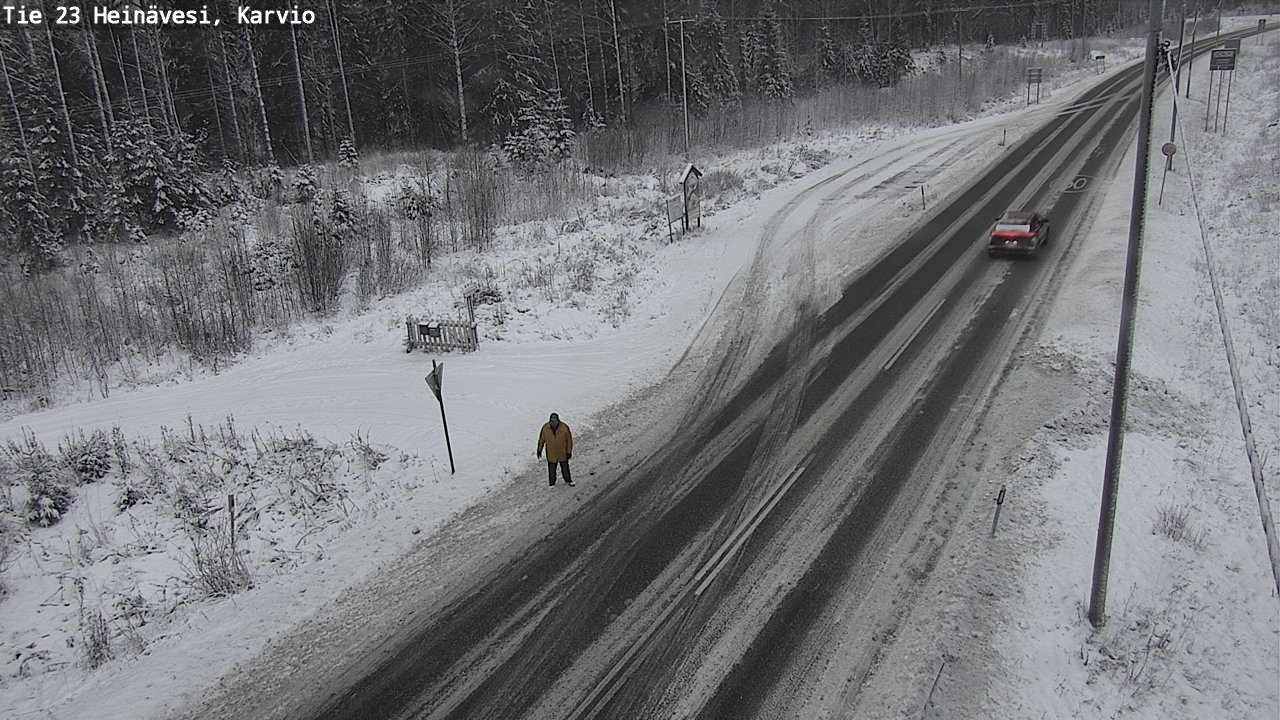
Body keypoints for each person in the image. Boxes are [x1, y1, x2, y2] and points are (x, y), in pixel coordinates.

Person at [536, 412, 574, 487]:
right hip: (551, 453)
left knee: (565, 468)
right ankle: (552, 483)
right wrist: (539, 450)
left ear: (558, 420)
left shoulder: (564, 428)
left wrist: (569, 452)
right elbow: (541, 440)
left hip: (562, 453)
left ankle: (568, 480)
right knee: (551, 470)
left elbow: (569, 440)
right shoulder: (545, 428)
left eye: (554, 420)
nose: (553, 422)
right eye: (551, 420)